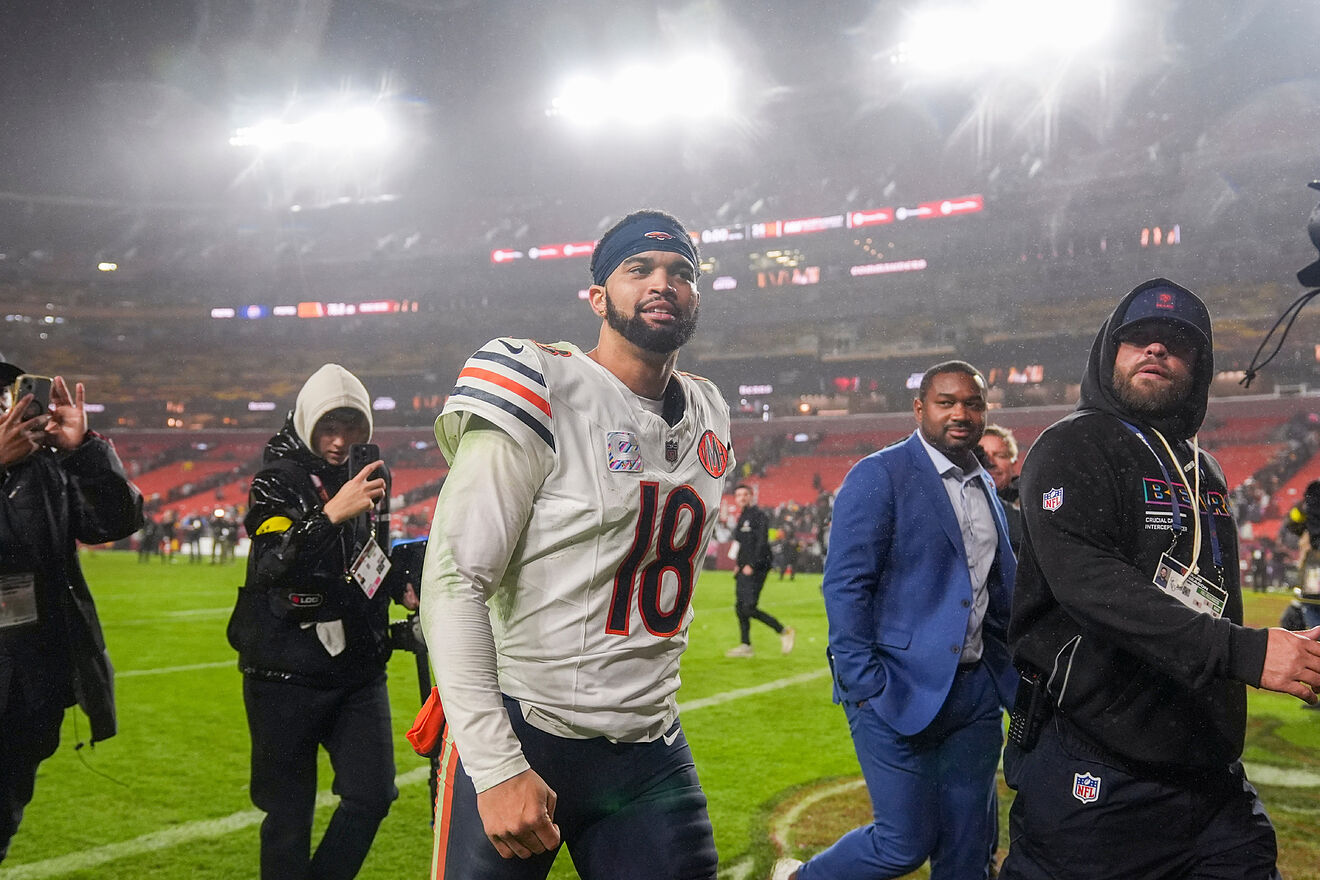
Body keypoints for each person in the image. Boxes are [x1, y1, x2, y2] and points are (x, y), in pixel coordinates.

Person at [419, 209, 733, 880]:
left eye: (680, 272)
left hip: (650, 743)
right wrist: (496, 767)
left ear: (696, 297)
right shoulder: (542, 382)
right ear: (597, 297)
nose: (662, 283)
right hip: (529, 729)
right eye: (638, 269)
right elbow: (453, 580)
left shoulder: (709, 410)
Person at [1000, 279, 1320, 879]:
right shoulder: (1070, 446)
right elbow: (1092, 585)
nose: (1155, 349)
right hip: (1096, 767)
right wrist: (1244, 652)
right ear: (1109, 352)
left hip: (1208, 772)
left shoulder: (1206, 468)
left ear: (1199, 368)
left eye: (1176, 342)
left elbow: (1215, 596)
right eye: (1138, 337)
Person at [774, 361, 1017, 880]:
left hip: (974, 695)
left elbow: (998, 592)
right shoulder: (879, 473)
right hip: (894, 688)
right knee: (903, 844)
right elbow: (845, 585)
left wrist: (1005, 679)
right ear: (919, 409)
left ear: (985, 412)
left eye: (972, 404)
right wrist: (864, 683)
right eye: (946, 402)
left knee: (967, 851)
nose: (960, 413)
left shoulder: (984, 485)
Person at [226, 364, 417, 880]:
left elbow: (367, 557)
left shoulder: (370, 473)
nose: (339, 441)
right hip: (282, 673)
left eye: (352, 427)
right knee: (288, 819)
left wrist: (399, 584)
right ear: (307, 422)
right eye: (328, 428)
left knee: (372, 795)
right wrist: (331, 514)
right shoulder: (276, 480)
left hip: (356, 667)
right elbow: (271, 565)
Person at [0, 365, 144, 862]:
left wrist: (81, 450)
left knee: (4, 817)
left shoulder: (43, 465)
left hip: (29, 678)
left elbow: (116, 522)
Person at [726, 483, 795, 657]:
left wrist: (752, 564)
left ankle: (783, 631)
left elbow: (761, 542)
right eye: (738, 495)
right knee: (740, 607)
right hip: (744, 567)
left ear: (751, 496)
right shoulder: (742, 517)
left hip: (757, 567)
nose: (742, 498)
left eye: (745, 494)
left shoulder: (759, 515)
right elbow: (741, 543)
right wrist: (738, 564)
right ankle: (745, 645)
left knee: (748, 607)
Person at [979, 424, 1022, 552]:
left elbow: (1022, 532)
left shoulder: (1030, 497)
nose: (990, 462)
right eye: (982, 456)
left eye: (1000, 455)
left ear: (1014, 465)